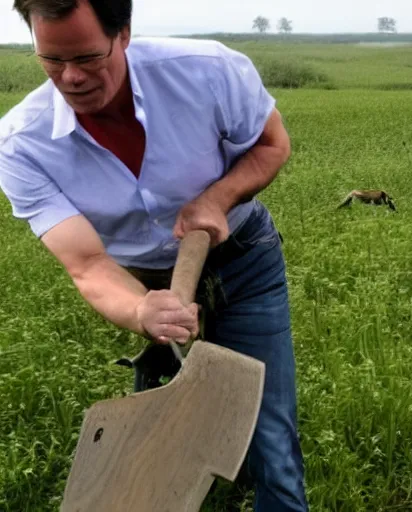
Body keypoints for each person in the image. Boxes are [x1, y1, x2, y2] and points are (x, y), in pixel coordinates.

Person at [0, 0, 309, 510]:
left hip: (243, 259)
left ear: (123, 33)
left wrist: (217, 197)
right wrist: (142, 309)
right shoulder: (21, 145)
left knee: (267, 433)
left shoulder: (207, 72)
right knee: (168, 421)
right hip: (143, 281)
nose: (71, 78)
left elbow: (272, 146)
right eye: (52, 60)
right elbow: (88, 264)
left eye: (86, 57)